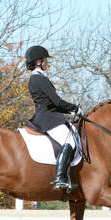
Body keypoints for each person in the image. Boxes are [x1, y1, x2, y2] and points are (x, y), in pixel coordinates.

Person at [25, 45, 81, 190]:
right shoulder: (40, 79)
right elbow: (56, 102)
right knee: (69, 140)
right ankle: (59, 178)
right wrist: (74, 109)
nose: (47, 63)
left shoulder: (36, 78)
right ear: (38, 62)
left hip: (46, 116)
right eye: (45, 60)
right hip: (48, 118)